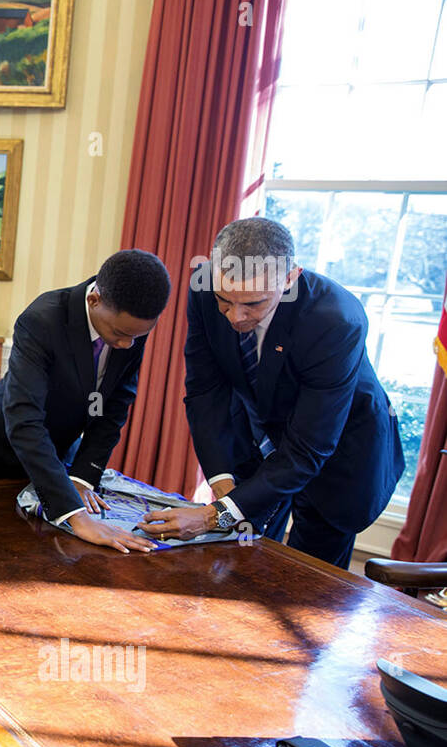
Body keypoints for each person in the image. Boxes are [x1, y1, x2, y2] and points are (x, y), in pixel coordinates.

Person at [140, 217, 404, 567]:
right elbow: (205, 391)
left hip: (337, 447)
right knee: (240, 554)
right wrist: (221, 484)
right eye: (225, 300)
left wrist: (209, 516)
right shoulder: (204, 287)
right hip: (260, 433)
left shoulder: (336, 319)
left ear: (290, 278)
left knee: (308, 579)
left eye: (254, 303)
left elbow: (309, 447)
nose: (235, 317)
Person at [0, 249, 172, 553]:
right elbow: (25, 420)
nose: (127, 345)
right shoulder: (42, 320)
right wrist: (77, 517)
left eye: (137, 337)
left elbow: (114, 407)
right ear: (93, 300)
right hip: (6, 439)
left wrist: (83, 478)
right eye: (121, 334)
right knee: (1, 542)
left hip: (61, 438)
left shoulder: (131, 325)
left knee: (54, 550)